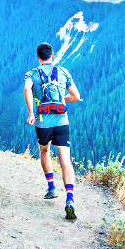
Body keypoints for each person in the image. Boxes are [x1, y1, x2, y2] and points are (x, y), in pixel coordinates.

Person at [23, 42, 81, 220]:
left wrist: (31, 113)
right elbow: (76, 96)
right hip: (62, 121)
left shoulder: (32, 73)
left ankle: (51, 187)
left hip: (43, 123)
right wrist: (62, 100)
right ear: (53, 55)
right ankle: (69, 199)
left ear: (38, 57)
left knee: (44, 151)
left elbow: (27, 89)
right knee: (65, 159)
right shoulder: (63, 72)